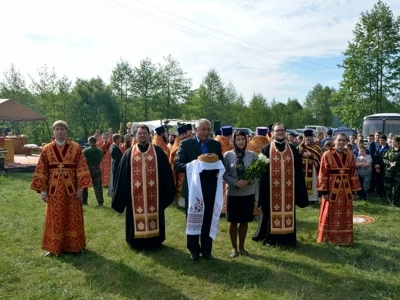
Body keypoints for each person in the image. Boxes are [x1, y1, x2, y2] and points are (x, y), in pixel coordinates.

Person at [30, 120, 92, 256]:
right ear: (53, 131)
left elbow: (82, 167)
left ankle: (75, 246)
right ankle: (54, 247)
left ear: (66, 131)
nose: (59, 132)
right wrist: (43, 191)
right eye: (57, 129)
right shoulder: (47, 148)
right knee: (55, 217)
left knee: (73, 216)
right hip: (54, 190)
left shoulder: (76, 147)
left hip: (72, 190)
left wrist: (81, 188)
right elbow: (42, 170)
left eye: (62, 129)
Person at [111, 124, 175, 250]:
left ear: (149, 134)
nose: (142, 136)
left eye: (144, 133)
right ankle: (136, 242)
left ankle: (155, 241)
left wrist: (166, 193)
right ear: (136, 135)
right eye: (139, 133)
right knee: (134, 218)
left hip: (154, 197)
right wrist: (121, 197)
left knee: (155, 216)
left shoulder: (157, 152)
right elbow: (122, 177)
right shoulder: (129, 154)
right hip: (134, 198)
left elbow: (166, 174)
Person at [252, 123, 308, 247]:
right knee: (269, 213)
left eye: (282, 130)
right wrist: (262, 192)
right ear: (272, 133)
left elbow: (298, 171)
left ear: (285, 132)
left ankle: (288, 239)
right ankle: (271, 239)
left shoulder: (293, 149)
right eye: (277, 131)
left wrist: (300, 190)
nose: (280, 133)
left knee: (288, 212)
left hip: (289, 190)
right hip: (271, 190)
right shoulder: (266, 149)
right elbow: (261, 173)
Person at [175, 119, 224, 260]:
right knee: (193, 219)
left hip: (209, 188)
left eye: (208, 129)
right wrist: (195, 165)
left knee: (207, 220)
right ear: (196, 130)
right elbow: (178, 165)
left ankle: (207, 250)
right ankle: (193, 250)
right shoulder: (185, 144)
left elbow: (220, 163)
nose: (206, 132)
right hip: (192, 189)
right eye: (203, 129)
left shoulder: (215, 144)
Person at [317, 133, 361, 245]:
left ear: (346, 142)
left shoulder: (350, 155)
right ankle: (328, 237)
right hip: (331, 189)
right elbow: (322, 173)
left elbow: (353, 173)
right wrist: (324, 191)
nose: (341, 142)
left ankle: (344, 237)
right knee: (329, 211)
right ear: (334, 141)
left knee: (345, 212)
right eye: (339, 140)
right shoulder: (326, 155)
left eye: (344, 140)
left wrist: (354, 189)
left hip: (346, 190)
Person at [223, 130, 257, 257]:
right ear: (234, 141)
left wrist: (249, 180)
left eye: (243, 139)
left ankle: (242, 247)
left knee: (244, 221)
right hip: (232, 192)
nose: (241, 141)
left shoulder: (252, 155)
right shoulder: (228, 155)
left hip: (248, 192)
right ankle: (234, 248)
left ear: (246, 140)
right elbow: (224, 174)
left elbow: (257, 173)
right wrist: (235, 183)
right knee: (232, 221)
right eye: (238, 139)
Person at [297, 129, 323, 203]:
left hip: (313, 168)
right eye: (306, 137)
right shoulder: (301, 146)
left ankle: (313, 198)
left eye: (309, 137)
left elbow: (320, 157)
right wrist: (300, 150)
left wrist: (311, 155)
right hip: (303, 167)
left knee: (313, 183)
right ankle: (304, 197)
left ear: (312, 138)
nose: (307, 139)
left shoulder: (316, 146)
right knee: (303, 182)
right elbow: (296, 156)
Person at [169, 126, 188, 208]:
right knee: (180, 185)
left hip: (187, 168)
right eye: (183, 134)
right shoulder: (176, 145)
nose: (184, 136)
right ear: (179, 136)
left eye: (185, 134)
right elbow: (173, 159)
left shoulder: (188, 143)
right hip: (179, 170)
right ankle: (180, 202)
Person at [83, 136, 104, 206]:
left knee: (85, 185)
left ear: (90, 142)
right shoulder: (100, 150)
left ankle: (84, 201)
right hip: (97, 168)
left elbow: (82, 159)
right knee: (98, 185)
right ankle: (100, 201)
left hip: (88, 168)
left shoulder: (86, 150)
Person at [383, 136, 400, 207]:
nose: (392, 143)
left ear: (399, 142)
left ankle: (396, 202)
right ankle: (389, 202)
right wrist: (389, 163)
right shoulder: (389, 150)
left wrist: (397, 163)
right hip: (389, 172)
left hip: (398, 173)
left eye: (394, 142)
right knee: (388, 187)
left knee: (397, 188)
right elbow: (384, 158)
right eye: (392, 141)